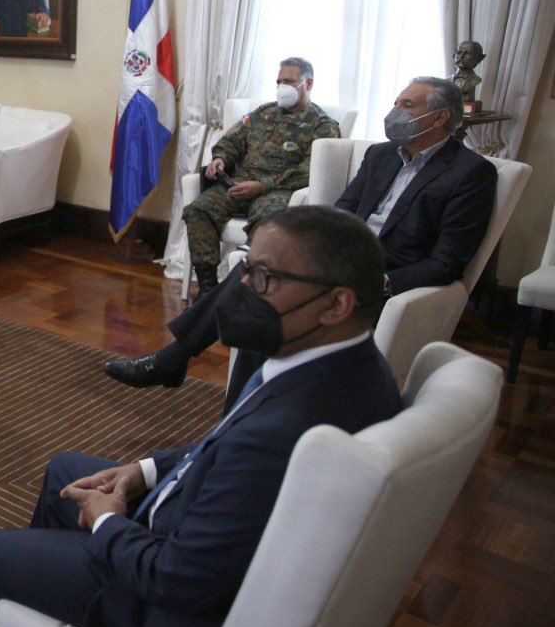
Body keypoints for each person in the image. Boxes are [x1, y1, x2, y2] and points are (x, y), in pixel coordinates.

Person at [0, 206, 402, 627]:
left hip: (159, 609)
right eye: (246, 268)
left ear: (335, 305)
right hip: (196, 524)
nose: (242, 288)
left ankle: (70, 595)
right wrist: (144, 470)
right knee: (64, 470)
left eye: (264, 277)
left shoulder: (285, 428)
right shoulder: (343, 363)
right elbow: (226, 444)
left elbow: (177, 580)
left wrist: (108, 522)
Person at [106, 76, 498, 400]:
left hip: (380, 279)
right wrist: (312, 247)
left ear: (440, 116)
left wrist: (379, 281)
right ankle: (221, 398)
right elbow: (342, 210)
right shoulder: (381, 155)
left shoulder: (470, 174)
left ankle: (178, 362)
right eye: (396, 102)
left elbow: (448, 262)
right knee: (257, 274)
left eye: (407, 105)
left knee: (264, 296)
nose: (395, 112)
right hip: (337, 262)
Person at [182, 56, 339, 298]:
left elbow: (310, 172)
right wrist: (221, 158)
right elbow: (231, 141)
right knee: (198, 209)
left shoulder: (322, 125)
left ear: (308, 84)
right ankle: (207, 287)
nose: (282, 87)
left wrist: (262, 186)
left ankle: (247, 290)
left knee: (267, 222)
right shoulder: (263, 113)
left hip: (276, 191)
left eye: (289, 81)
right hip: (237, 186)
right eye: (279, 82)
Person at [451, 40, 485, 107]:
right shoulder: (447, 81)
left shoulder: (475, 80)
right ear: (454, 55)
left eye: (467, 53)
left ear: (478, 59)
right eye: (459, 53)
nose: (461, 57)